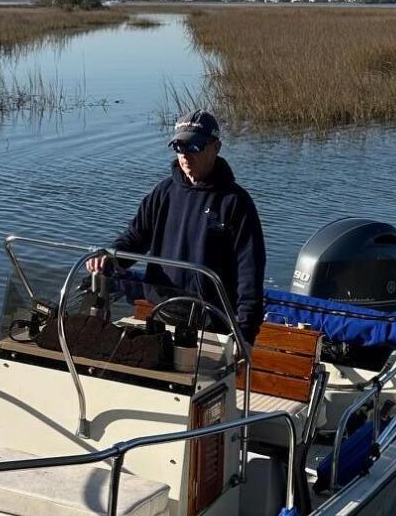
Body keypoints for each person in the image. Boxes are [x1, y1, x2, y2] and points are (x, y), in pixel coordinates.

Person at [89, 110, 266, 345]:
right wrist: (111, 257)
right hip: (161, 311)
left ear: (216, 147)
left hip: (212, 321)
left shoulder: (236, 203)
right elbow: (136, 236)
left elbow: (250, 273)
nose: (185, 156)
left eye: (194, 147)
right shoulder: (163, 193)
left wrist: (245, 334)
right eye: (179, 147)